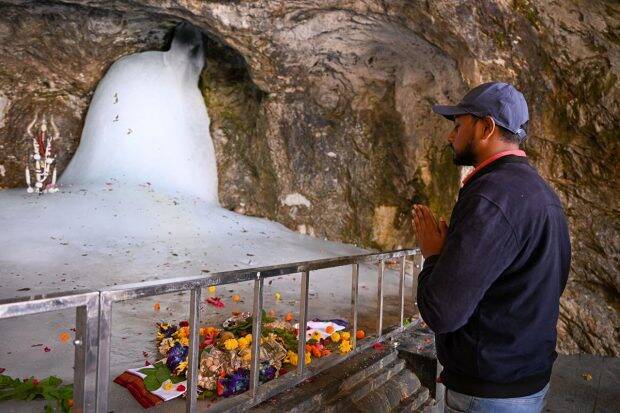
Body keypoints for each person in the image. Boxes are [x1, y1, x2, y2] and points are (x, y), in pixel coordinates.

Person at [412, 82, 571, 413]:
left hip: (490, 394)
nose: (450, 137)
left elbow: (442, 312)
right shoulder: (541, 192)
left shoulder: (491, 196)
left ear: (486, 127)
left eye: (458, 126)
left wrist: (434, 256)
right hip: (525, 380)